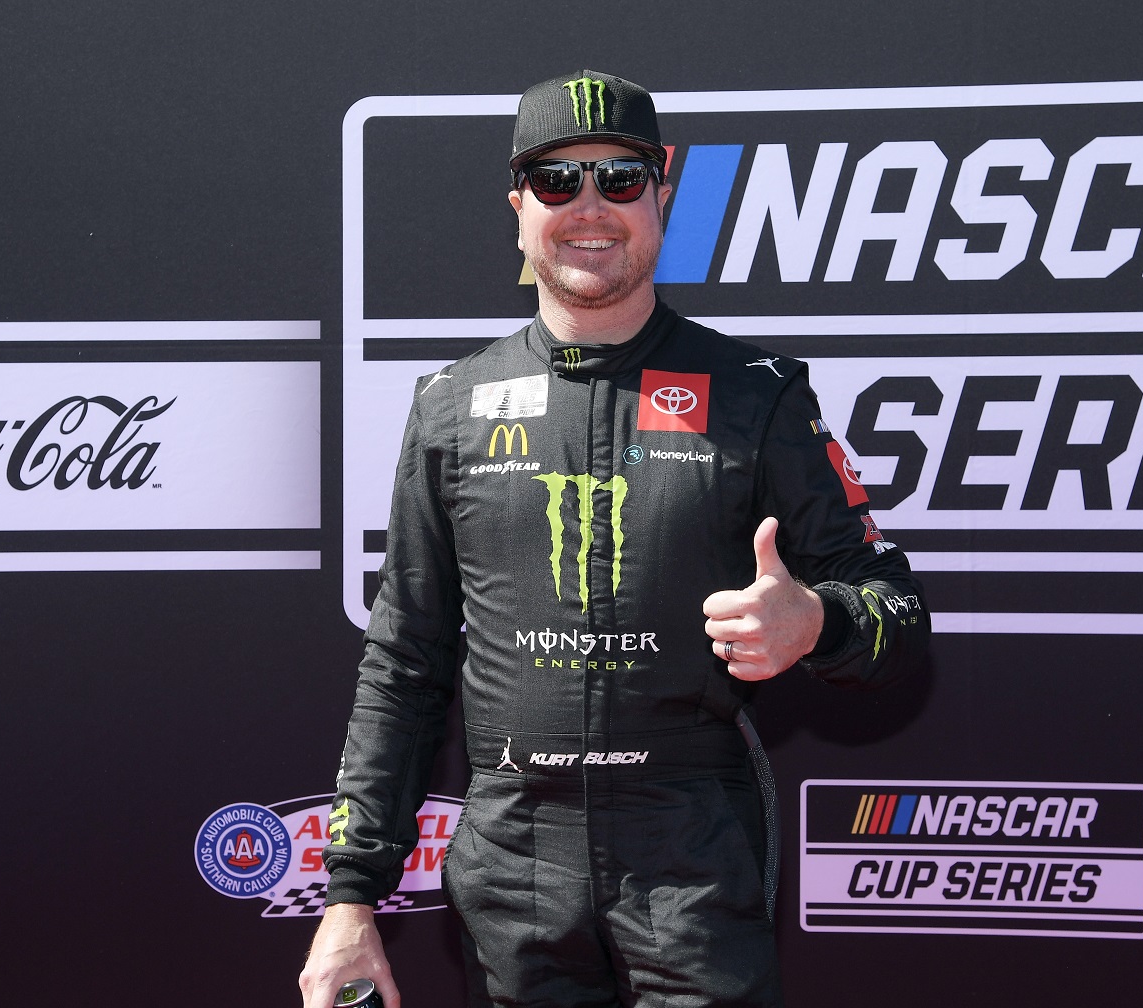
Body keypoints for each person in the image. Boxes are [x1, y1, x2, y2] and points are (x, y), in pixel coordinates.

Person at [300, 70, 929, 1008]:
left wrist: (816, 624)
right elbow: (404, 661)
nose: (589, 207)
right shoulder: (450, 406)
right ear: (519, 208)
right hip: (513, 865)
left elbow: (898, 615)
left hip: (692, 859)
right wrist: (349, 895)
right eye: (558, 182)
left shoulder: (759, 394)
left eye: (620, 179)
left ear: (661, 195)